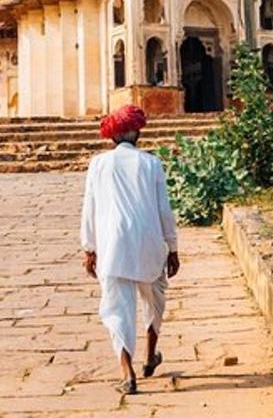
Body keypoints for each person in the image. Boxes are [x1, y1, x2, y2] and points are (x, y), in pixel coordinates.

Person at [80, 104, 181, 395]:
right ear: (137, 134)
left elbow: (90, 209)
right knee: (155, 300)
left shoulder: (98, 164)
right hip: (149, 242)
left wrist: (90, 248)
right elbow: (164, 210)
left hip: (112, 246)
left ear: (111, 137)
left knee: (117, 309)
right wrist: (172, 248)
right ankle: (151, 355)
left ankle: (128, 373)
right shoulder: (151, 163)